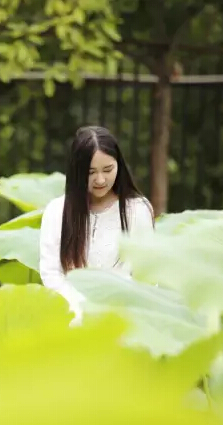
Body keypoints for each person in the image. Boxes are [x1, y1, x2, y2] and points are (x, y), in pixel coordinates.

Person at [39, 125, 154, 321]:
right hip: (70, 319)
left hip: (124, 319)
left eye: (108, 169)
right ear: (77, 171)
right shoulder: (56, 211)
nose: (100, 179)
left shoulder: (137, 210)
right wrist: (80, 313)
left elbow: (147, 277)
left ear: (119, 165)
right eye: (91, 172)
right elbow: (51, 273)